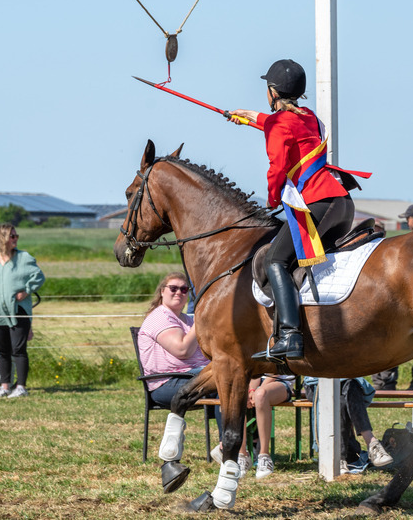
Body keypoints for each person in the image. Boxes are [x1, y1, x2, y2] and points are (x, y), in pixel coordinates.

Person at [231, 59, 356, 362]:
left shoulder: (279, 123)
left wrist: (272, 199)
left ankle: (290, 335)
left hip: (318, 203)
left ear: (272, 91)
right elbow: (285, 126)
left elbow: (277, 169)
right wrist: (251, 118)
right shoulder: (309, 116)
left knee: (275, 260)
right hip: (341, 204)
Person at [0, 224, 45, 398]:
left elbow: (39, 277)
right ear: (3, 238)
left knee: (19, 349)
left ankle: (21, 387)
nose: (16, 239)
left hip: (18, 311)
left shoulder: (24, 258)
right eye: (12, 236)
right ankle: (5, 386)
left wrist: (26, 292)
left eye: (16, 236)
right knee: (2, 351)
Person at [137, 273, 209, 409]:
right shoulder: (160, 317)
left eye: (184, 289)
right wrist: (200, 319)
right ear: (162, 291)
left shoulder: (187, 320)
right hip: (168, 383)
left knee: (243, 382)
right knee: (226, 386)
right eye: (173, 288)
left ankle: (246, 430)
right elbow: (183, 350)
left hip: (194, 376)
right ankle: (231, 431)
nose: (179, 293)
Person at [302, 376, 393, 474]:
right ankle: (372, 443)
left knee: (349, 388)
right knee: (342, 395)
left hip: (348, 381)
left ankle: (339, 460)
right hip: (318, 383)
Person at [212, 374, 295, 479]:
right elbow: (256, 371)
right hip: (255, 381)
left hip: (280, 382)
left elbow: (275, 371)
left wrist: (257, 390)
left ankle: (264, 457)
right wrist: (251, 390)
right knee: (238, 393)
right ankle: (242, 455)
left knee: (261, 395)